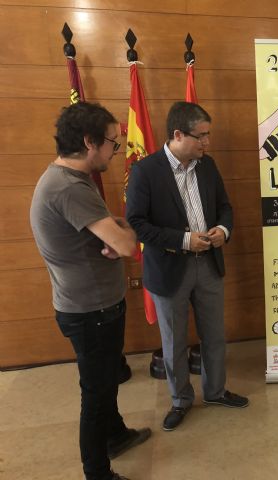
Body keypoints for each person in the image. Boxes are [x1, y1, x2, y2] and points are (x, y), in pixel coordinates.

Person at [30, 102, 151, 480]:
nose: (116, 152)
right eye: (113, 143)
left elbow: (109, 232)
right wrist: (121, 233)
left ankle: (115, 435)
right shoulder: (69, 188)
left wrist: (114, 233)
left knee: (106, 379)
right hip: (90, 311)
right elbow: (128, 245)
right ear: (89, 142)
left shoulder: (68, 179)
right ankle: (97, 472)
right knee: (96, 394)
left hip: (95, 305)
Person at [126, 101, 248, 432]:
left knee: (214, 335)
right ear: (178, 134)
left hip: (208, 264)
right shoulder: (145, 171)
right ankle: (180, 400)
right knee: (174, 341)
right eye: (201, 136)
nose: (207, 142)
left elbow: (225, 207)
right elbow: (137, 223)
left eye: (208, 135)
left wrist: (222, 230)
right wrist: (183, 240)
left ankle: (216, 391)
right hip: (169, 270)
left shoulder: (207, 165)